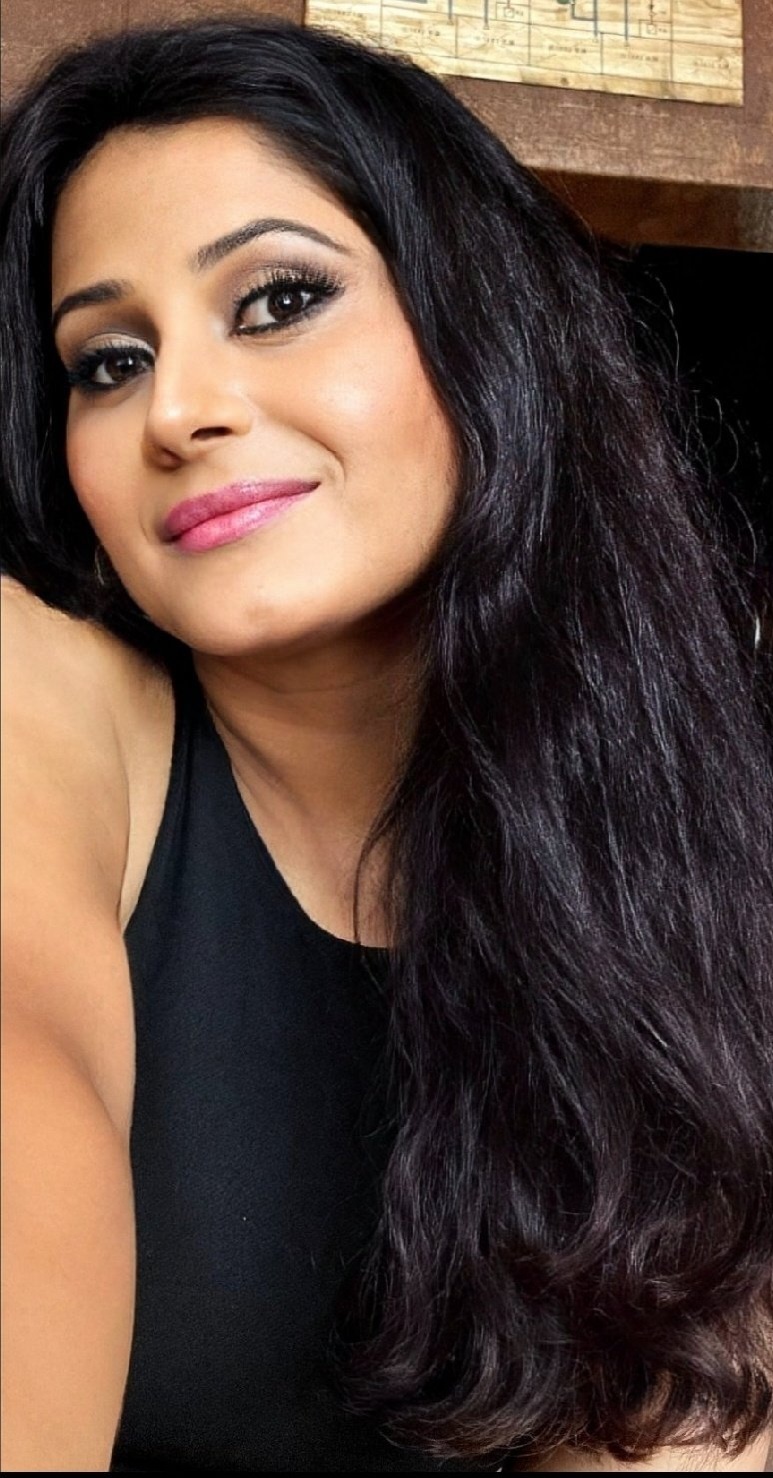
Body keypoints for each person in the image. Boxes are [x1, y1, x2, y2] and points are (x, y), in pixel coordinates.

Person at [1, 15, 772, 1474]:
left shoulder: (672, 848)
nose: (179, 410)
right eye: (107, 361)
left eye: (278, 298)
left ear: (483, 335)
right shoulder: (33, 698)